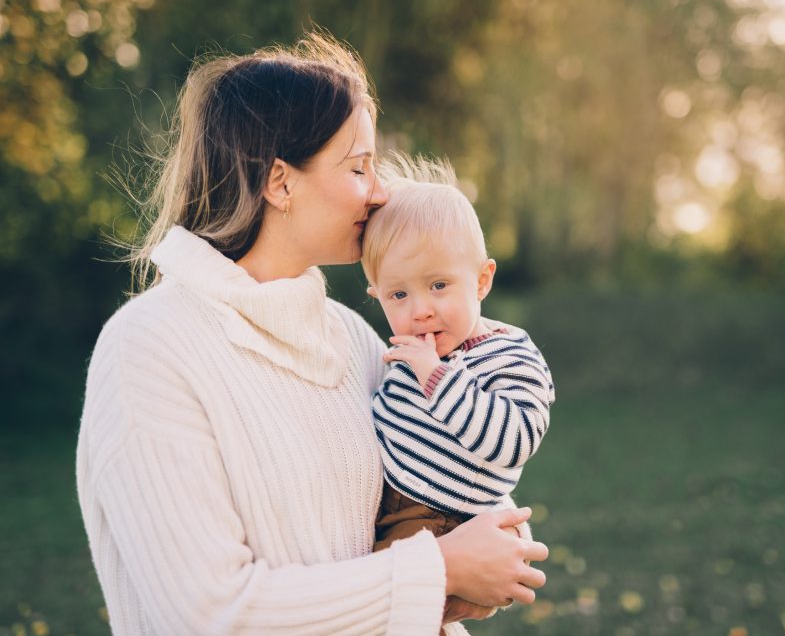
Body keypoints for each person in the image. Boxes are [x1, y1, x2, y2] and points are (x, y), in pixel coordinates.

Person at [75, 34, 548, 636]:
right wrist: (442, 568)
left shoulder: (351, 338)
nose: (380, 192)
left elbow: (420, 484)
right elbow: (209, 613)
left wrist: (491, 532)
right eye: (358, 167)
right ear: (280, 182)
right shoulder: (149, 350)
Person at [358, 158, 554, 631]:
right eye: (398, 296)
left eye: (439, 286)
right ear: (376, 295)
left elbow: (514, 439)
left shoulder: (509, 354)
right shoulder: (406, 350)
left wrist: (438, 378)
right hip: (391, 503)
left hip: (442, 517)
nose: (420, 310)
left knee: (389, 612)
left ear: (482, 280)